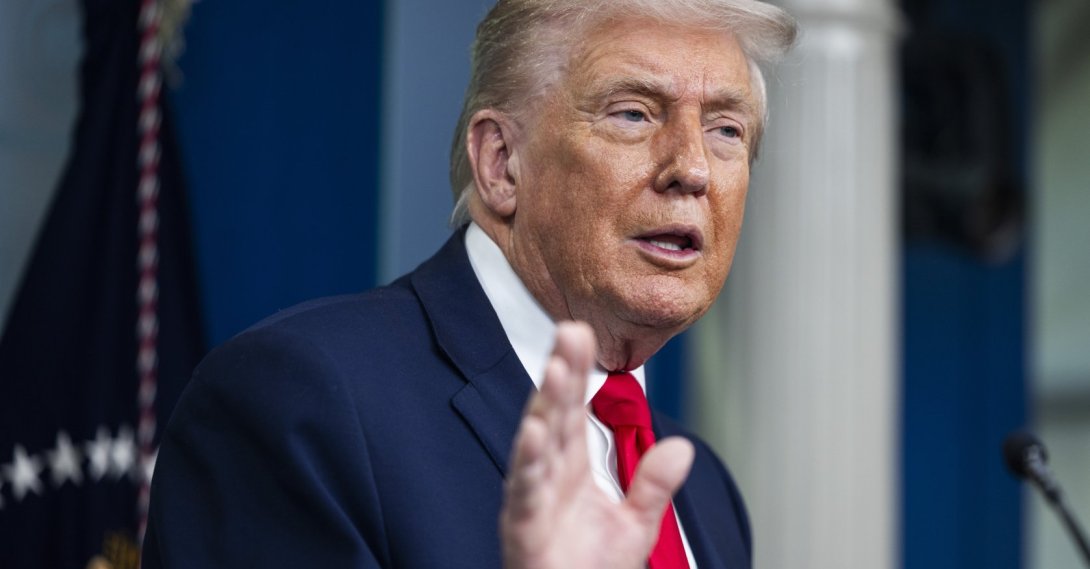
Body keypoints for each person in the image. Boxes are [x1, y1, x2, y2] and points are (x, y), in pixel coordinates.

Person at [141, 0, 797, 567]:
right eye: (633, 113)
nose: (692, 168)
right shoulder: (300, 402)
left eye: (726, 130)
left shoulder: (703, 490)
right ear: (501, 163)